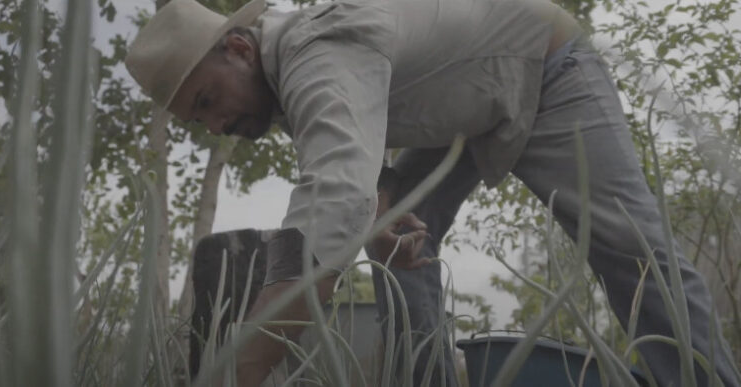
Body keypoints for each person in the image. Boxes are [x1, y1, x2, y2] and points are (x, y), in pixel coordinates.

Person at [125, 0, 740, 385]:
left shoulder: (317, 50)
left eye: (208, 101)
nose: (215, 125)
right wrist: (375, 212)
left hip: (543, 68)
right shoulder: (282, 85)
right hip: (463, 112)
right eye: (197, 120)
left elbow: (331, 197)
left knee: (631, 250)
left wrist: (245, 360)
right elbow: (346, 177)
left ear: (238, 48)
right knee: (392, 236)